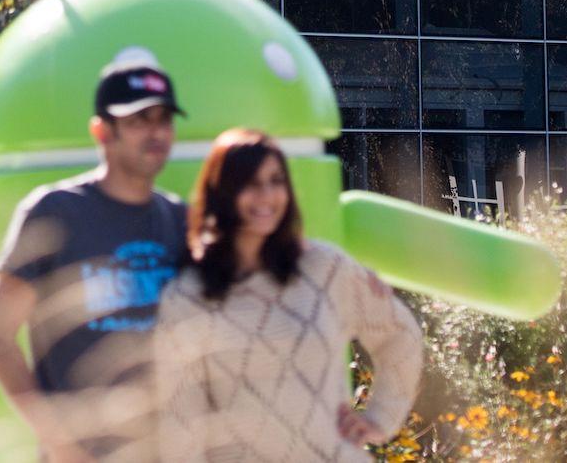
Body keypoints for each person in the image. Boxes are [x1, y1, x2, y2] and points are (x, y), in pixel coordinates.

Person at [152, 128, 423, 461]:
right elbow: (179, 422)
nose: (267, 195)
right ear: (222, 192)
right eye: (251, 184)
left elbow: (401, 337)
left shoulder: (325, 268)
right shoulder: (188, 296)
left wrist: (379, 420)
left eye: (276, 181)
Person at [0, 57, 189, 461]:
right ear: (101, 130)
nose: (156, 132)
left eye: (164, 119)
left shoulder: (180, 219)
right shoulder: (54, 211)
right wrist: (61, 443)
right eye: (139, 120)